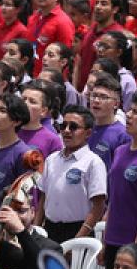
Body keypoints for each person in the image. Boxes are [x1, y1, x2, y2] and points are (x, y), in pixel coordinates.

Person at [35, 103, 106, 244]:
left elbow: (98, 206)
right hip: (50, 230)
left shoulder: (93, 162)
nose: (66, 131)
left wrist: (78, 240)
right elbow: (44, 197)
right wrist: (36, 229)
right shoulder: (51, 159)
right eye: (63, 126)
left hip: (78, 231)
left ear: (88, 133)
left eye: (73, 127)